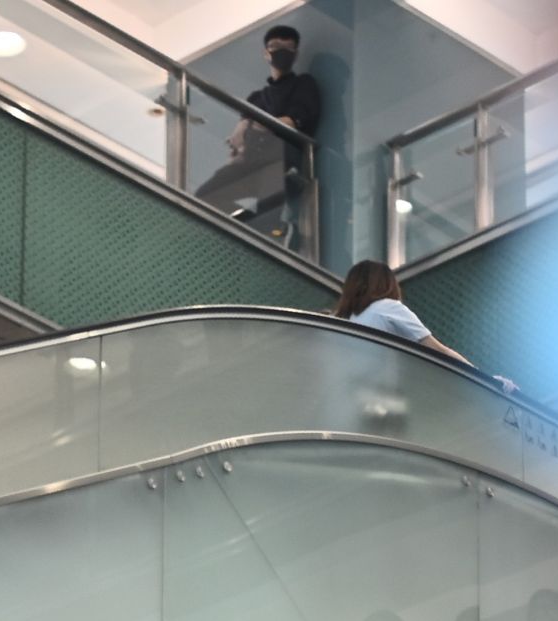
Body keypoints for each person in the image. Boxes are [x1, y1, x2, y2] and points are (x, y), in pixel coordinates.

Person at [194, 25, 322, 238]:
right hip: (251, 161)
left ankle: (271, 231)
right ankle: (242, 229)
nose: (281, 53)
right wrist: (238, 145)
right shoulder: (257, 98)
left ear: (295, 54)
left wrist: (250, 125)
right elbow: (240, 137)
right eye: (275, 47)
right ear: (266, 53)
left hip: (281, 159)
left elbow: (293, 121)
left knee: (267, 213)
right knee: (205, 196)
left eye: (287, 48)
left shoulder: (303, 85)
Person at [332, 259, 519, 392]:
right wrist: (487, 382)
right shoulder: (387, 307)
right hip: (383, 400)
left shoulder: (345, 321)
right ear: (386, 283)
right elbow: (439, 351)